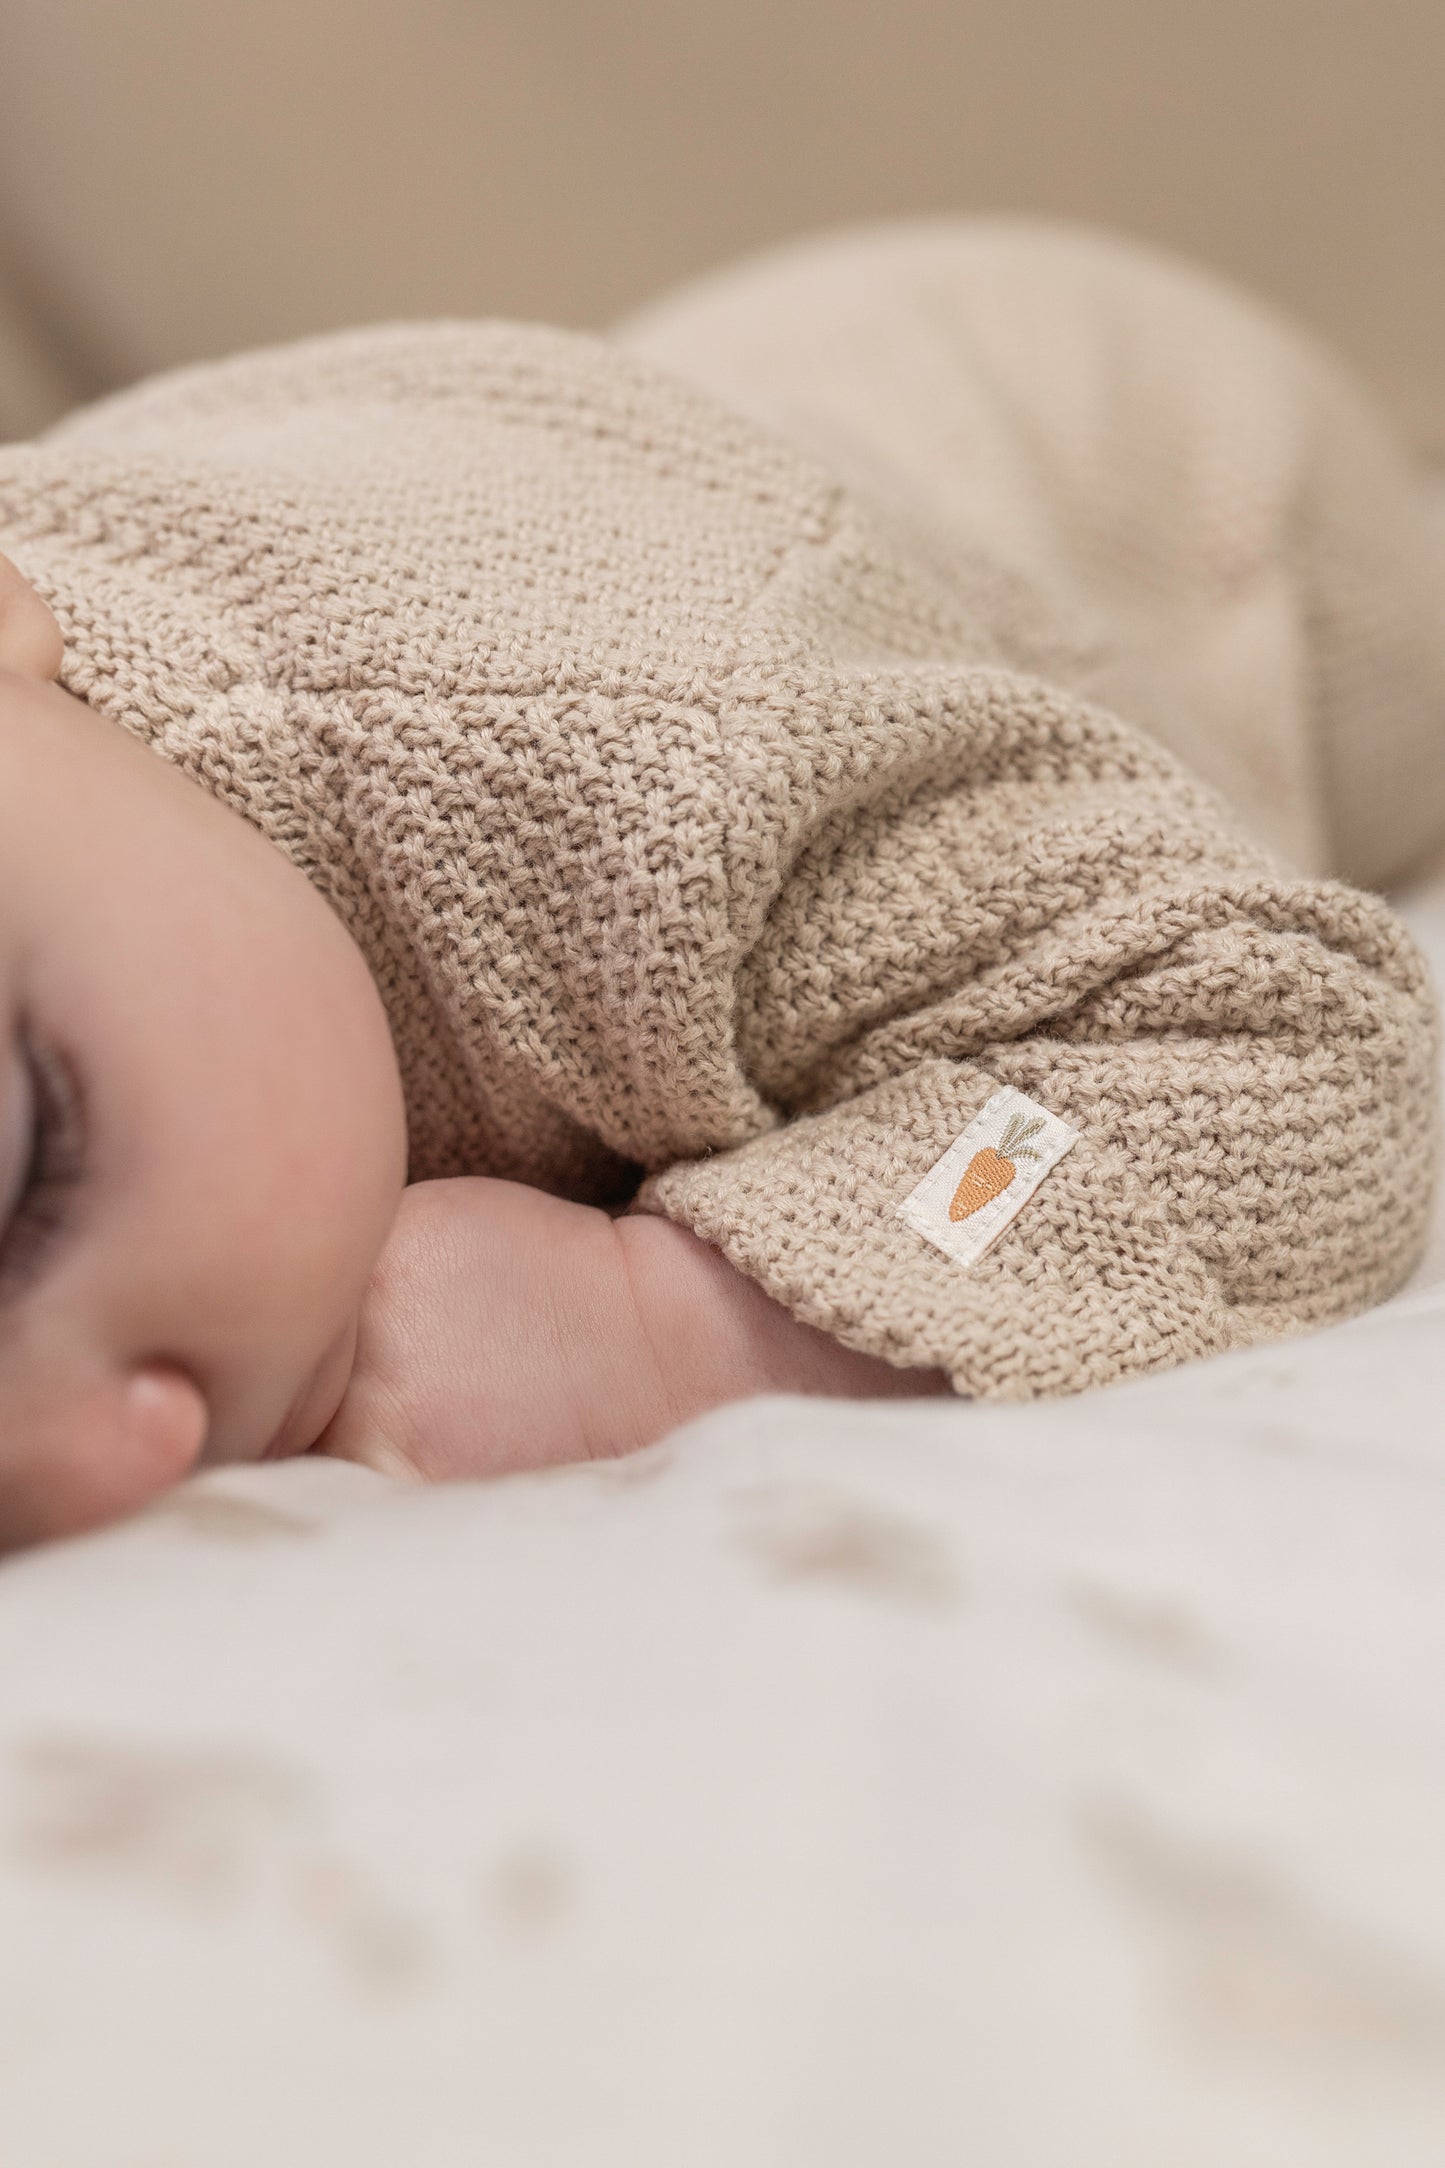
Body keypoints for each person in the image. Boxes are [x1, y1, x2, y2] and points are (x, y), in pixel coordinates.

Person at [0, 215, 1440, 1551]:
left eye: (26, 1165)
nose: (112, 1465)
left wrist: (669, 1327)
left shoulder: (649, 785)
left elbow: (1271, 1049)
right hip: (702, 403)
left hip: (1172, 487)